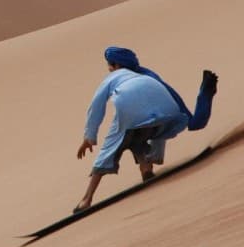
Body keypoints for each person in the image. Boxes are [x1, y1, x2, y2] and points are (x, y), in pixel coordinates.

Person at [74, 46, 218, 213]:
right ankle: (146, 167)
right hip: (165, 111)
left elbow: (96, 107)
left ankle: (86, 199)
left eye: (109, 65)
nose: (109, 69)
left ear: (116, 65)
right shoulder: (147, 75)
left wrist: (89, 137)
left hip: (130, 107)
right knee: (143, 131)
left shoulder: (112, 77)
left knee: (111, 145)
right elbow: (171, 98)